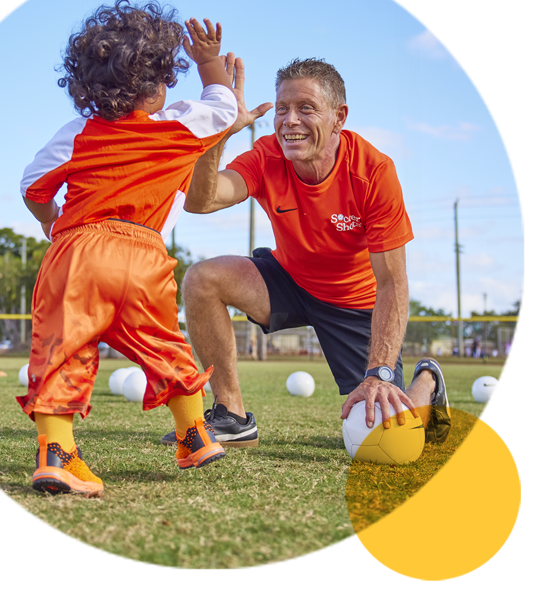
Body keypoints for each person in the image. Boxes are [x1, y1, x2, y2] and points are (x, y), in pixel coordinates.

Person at [17, 0, 241, 497]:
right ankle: (194, 436)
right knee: (164, 344)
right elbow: (224, 109)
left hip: (77, 251)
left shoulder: (78, 132)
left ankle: (57, 455)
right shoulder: (179, 124)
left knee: (63, 351)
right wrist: (208, 62)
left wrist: (52, 221)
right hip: (145, 257)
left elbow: (33, 185)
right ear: (161, 83)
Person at [171, 57, 451, 449]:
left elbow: (392, 282)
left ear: (339, 117)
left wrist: (381, 373)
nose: (290, 120)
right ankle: (232, 415)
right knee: (202, 278)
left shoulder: (374, 172)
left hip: (354, 304)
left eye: (306, 108)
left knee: (385, 443)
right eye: (282, 108)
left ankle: (429, 380)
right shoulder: (267, 155)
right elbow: (201, 201)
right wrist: (218, 134)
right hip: (290, 280)